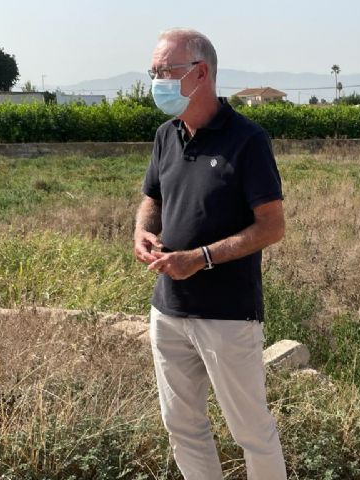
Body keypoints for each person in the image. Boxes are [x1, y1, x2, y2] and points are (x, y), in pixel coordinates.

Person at [133, 28, 287, 480]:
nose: (156, 81)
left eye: (165, 71)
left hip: (227, 316)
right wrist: (142, 231)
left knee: (251, 432)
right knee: (182, 426)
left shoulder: (247, 140)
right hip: (169, 309)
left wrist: (199, 258)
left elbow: (271, 227)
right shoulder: (167, 134)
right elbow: (153, 198)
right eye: (154, 71)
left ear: (200, 73)